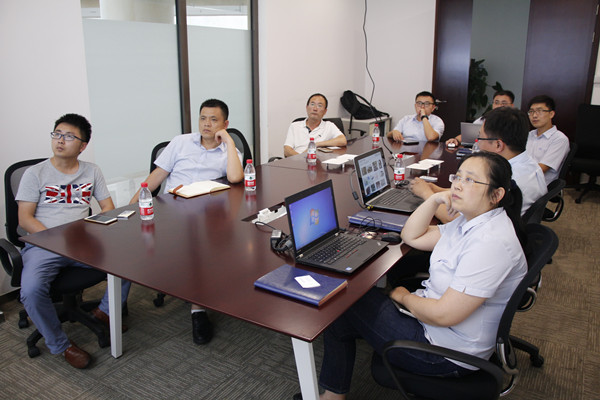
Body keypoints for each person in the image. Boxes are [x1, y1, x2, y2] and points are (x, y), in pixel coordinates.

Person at [313, 152, 527, 400]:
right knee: (346, 308)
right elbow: (412, 236)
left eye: (470, 180)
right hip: (437, 328)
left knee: (344, 299)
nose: (457, 185)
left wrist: (402, 296)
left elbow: (443, 315)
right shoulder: (471, 221)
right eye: (458, 177)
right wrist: (434, 199)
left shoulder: (490, 242)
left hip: (443, 353)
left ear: (496, 195)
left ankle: (332, 395)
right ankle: (333, 395)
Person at [16, 113, 132, 369]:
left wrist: (97, 231)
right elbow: (25, 218)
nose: (60, 140)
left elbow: (107, 207)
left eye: (69, 136)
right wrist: (56, 241)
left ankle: (104, 313)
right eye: (57, 134)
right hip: (44, 244)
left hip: (82, 243)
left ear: (82, 145)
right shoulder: (35, 173)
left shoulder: (92, 171)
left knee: (129, 261)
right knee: (31, 291)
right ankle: (60, 344)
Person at [129, 98, 243, 346]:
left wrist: (229, 140)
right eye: (203, 118)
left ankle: (197, 309)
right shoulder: (180, 143)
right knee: (125, 246)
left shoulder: (229, 150)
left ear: (225, 124)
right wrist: (130, 207)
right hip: (171, 212)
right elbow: (156, 177)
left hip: (207, 216)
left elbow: (235, 177)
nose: (206, 124)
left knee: (201, 249)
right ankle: (110, 309)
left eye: (213, 120)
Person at [411, 107, 547, 221]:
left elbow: (454, 218)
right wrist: (437, 189)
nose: (477, 144)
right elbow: (474, 195)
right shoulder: (528, 164)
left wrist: (426, 194)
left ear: (498, 145)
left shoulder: (507, 180)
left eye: (480, 138)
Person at [283, 93, 347, 157]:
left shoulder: (329, 126)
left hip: (318, 161)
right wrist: (301, 158)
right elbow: (287, 150)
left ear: (325, 111)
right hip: (297, 160)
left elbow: (343, 140)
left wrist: (316, 144)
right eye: (312, 104)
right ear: (307, 107)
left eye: (319, 106)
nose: (315, 109)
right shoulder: (295, 126)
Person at [526, 95, 570, 185]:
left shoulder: (559, 139)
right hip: (523, 179)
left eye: (539, 111)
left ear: (551, 114)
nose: (534, 115)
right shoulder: (529, 135)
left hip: (539, 185)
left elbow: (541, 169)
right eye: (531, 111)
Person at [446, 90, 515, 147]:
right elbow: (469, 134)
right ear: (493, 105)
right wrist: (456, 140)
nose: (499, 106)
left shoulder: (515, 121)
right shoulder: (484, 119)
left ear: (512, 105)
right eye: (496, 103)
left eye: (504, 103)